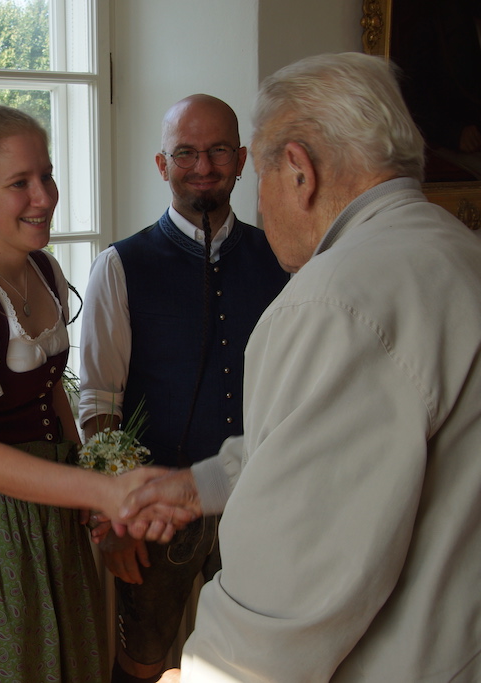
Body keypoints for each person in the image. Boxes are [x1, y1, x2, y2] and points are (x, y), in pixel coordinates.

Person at [120, 52, 481, 681]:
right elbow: (341, 441)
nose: (261, 204)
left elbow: (289, 579)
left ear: (299, 171)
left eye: (260, 179)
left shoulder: (336, 299)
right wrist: (199, 485)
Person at [0, 104, 180, 683]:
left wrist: (90, 486)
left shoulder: (43, 270)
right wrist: (105, 491)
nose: (44, 197)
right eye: (19, 183)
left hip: (50, 515)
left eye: (46, 175)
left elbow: (53, 396)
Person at [79, 94, 287, 682]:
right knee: (141, 663)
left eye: (218, 150)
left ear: (241, 160)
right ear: (161, 164)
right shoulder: (119, 266)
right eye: (185, 153)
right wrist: (113, 519)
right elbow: (99, 403)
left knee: (257, 667)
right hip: (156, 514)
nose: (203, 166)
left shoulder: (282, 260)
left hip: (261, 505)